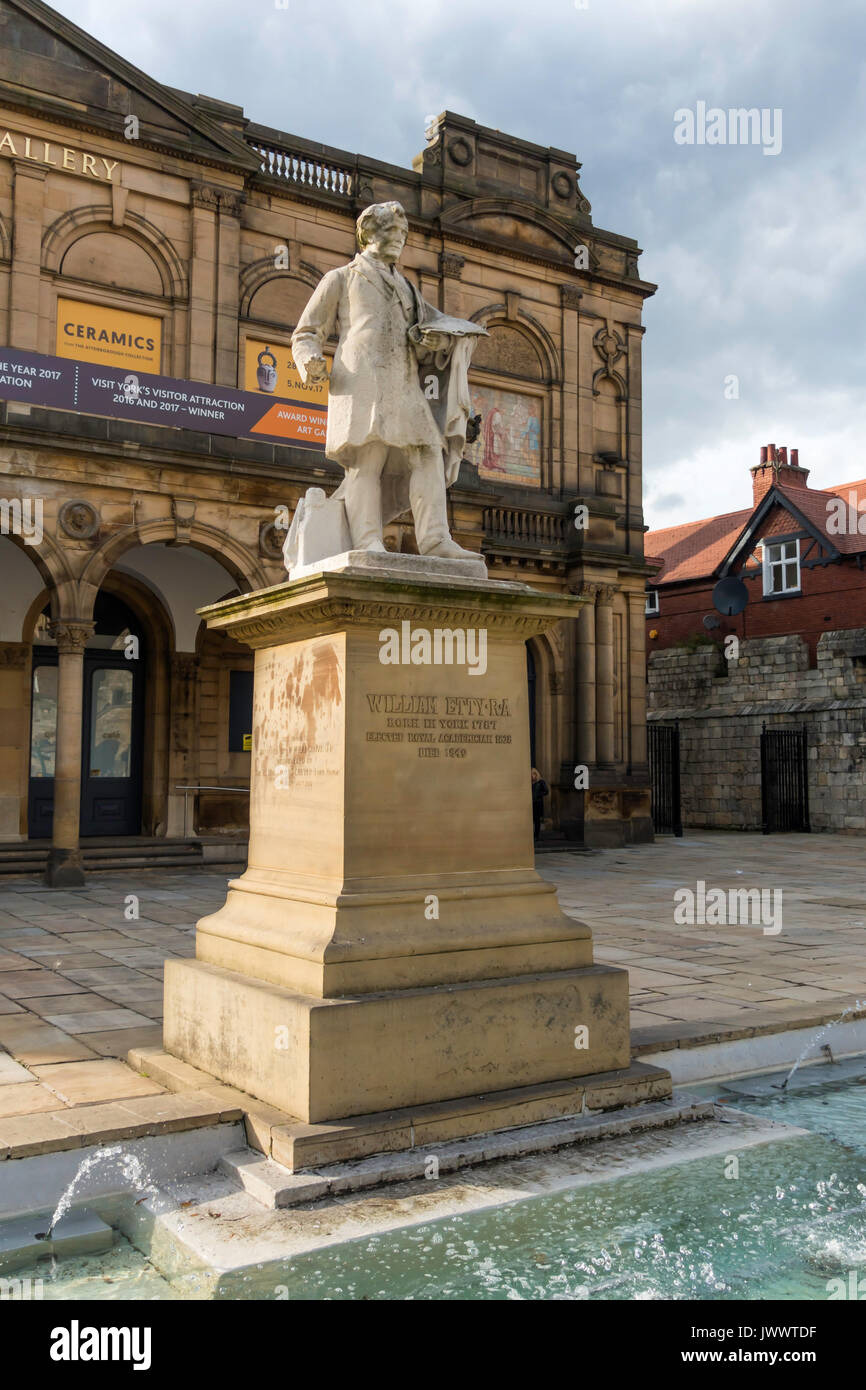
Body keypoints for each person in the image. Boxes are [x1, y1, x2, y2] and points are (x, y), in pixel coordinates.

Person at [290, 200, 486, 558]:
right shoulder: (341, 278)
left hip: (404, 384)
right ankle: (368, 541)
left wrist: (436, 340)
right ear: (367, 234)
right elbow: (306, 333)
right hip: (359, 380)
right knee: (369, 459)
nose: (399, 240)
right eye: (391, 232)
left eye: (402, 234)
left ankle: (436, 540)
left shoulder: (408, 288)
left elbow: (433, 332)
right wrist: (310, 361)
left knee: (429, 454)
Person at [531, 767, 548, 841]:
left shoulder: (541, 782)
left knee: (537, 820)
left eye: (533, 774)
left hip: (537, 803)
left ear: (536, 774)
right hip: (531, 803)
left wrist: (538, 795)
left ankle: (536, 836)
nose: (532, 776)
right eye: (531, 775)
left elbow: (546, 791)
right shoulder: (529, 783)